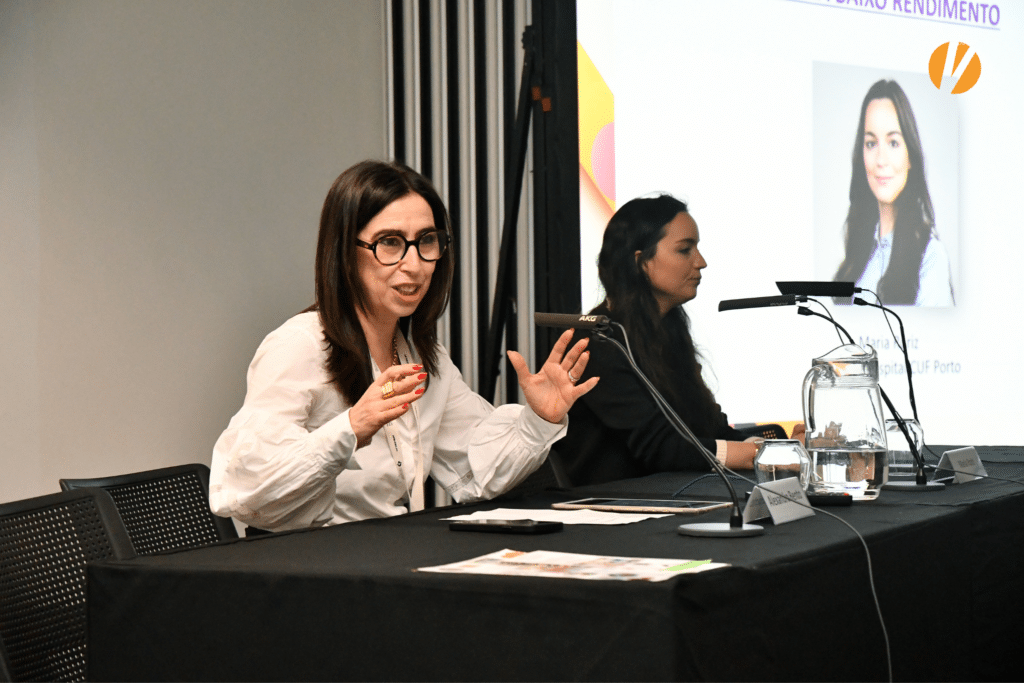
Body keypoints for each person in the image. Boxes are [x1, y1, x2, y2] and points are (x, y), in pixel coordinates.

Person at [210, 160, 597, 532]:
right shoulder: (299, 346)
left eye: (426, 241)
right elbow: (246, 494)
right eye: (390, 243)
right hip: (310, 561)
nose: (414, 264)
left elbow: (476, 471)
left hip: (391, 552)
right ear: (345, 252)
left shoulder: (422, 356)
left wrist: (539, 419)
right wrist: (350, 428)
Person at [556, 195, 787, 487]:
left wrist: (782, 450)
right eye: (685, 250)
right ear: (641, 262)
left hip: (674, 495)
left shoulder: (667, 333)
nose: (701, 262)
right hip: (613, 505)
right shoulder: (598, 342)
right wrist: (758, 455)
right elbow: (659, 449)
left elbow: (710, 430)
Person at [833, 79, 954, 306]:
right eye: (871, 143)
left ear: (910, 157)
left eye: (893, 143)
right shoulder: (857, 256)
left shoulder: (930, 257)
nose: (881, 160)